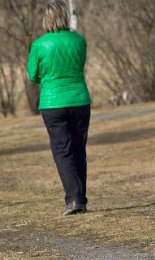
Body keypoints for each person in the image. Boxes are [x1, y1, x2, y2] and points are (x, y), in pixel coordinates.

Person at [27, 0, 91, 215]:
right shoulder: (79, 41)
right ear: (65, 16)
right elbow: (80, 64)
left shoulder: (40, 45)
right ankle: (80, 198)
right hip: (80, 100)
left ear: (46, 19)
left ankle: (73, 200)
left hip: (53, 102)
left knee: (62, 151)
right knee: (78, 149)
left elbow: (32, 75)